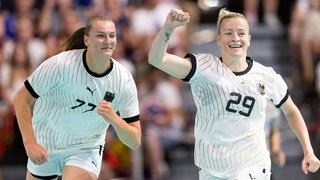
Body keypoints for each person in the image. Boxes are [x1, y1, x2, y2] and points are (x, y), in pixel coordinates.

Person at [148, 8, 320, 180]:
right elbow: (156, 59)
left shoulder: (267, 76)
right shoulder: (203, 67)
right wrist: (168, 28)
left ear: (249, 39)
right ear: (218, 39)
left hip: (252, 167)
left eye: (241, 33)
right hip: (211, 170)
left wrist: (308, 151)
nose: (235, 38)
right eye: (228, 33)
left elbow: (291, 111)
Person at [13, 15, 141, 180]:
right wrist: (30, 143)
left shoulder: (123, 79)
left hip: (86, 148)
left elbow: (134, 141)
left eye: (112, 35)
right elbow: (21, 99)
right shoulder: (60, 65)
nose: (108, 40)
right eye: (101, 35)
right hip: (46, 143)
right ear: (87, 40)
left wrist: (113, 118)